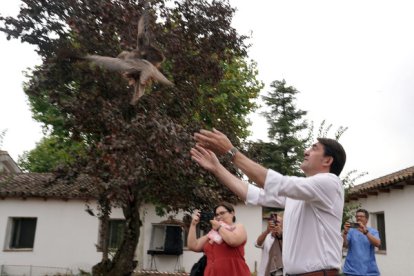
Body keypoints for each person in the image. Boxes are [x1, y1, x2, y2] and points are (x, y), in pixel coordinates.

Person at [190, 128, 347, 276]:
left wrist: (231, 152)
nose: (306, 151)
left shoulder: (330, 182)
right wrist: (217, 168)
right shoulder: (302, 195)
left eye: (314, 148)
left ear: (327, 160)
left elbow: (276, 182)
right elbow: (254, 194)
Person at [187, 202, 251, 276]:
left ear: (232, 213)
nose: (219, 216)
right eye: (217, 214)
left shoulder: (238, 227)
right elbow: (193, 246)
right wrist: (193, 224)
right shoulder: (212, 233)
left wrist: (219, 227)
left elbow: (233, 241)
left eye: (222, 213)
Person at [342, 209, 381, 276]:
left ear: (367, 219)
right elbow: (344, 245)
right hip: (351, 271)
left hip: (369, 271)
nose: (358, 218)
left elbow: (378, 244)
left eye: (361, 216)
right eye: (357, 216)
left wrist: (366, 232)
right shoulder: (350, 231)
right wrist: (345, 232)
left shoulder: (373, 231)